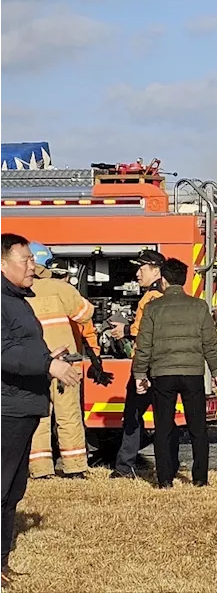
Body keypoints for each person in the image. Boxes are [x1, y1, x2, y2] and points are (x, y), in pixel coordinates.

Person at [0, 233, 81, 588]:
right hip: (6, 407)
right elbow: (4, 351)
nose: (33, 265)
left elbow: (21, 347)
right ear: (2, 264)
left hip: (22, 404)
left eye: (33, 259)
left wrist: (50, 357)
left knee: (13, 491)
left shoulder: (18, 299)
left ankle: (1, 562)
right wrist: (48, 366)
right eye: (26, 259)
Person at [133, 257, 217, 489]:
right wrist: (216, 370)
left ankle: (164, 479)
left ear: (162, 280)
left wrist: (140, 374)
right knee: (198, 427)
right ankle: (200, 478)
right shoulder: (199, 306)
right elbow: (210, 342)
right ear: (183, 280)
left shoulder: (153, 308)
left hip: (162, 374)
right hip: (192, 373)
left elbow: (144, 345)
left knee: (163, 427)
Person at [26, 243, 111, 480]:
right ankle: (74, 468)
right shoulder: (59, 287)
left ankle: (41, 470)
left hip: (35, 364)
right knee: (69, 415)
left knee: (39, 417)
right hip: (66, 364)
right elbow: (86, 313)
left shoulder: (16, 290)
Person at [110, 249, 166, 479]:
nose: (137, 273)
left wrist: (124, 329)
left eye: (141, 269)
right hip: (163, 365)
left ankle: (124, 467)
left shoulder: (151, 298)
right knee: (164, 416)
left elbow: (144, 330)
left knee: (132, 415)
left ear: (155, 270)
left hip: (145, 365)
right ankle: (167, 463)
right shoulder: (165, 294)